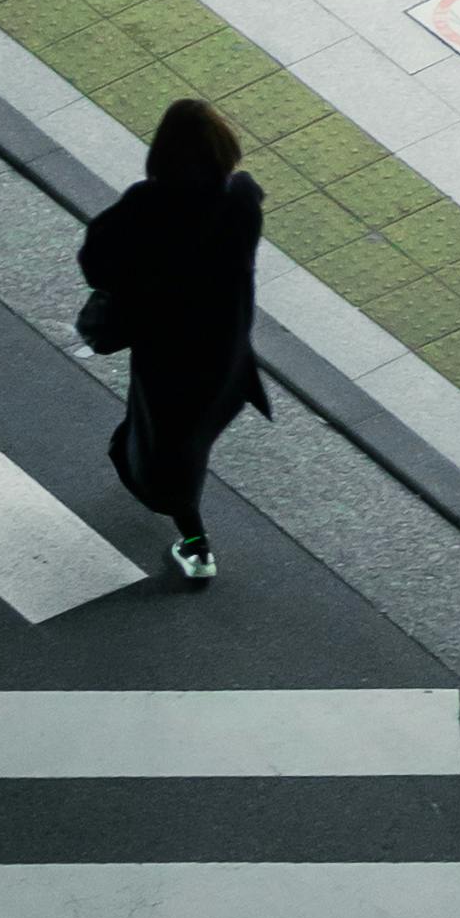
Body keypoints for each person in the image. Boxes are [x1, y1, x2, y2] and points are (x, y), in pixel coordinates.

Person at [77, 96, 270, 588]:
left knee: (166, 457)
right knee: (184, 435)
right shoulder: (242, 197)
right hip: (225, 350)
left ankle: (196, 544)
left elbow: (96, 262)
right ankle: (183, 524)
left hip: (171, 353)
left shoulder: (148, 206)